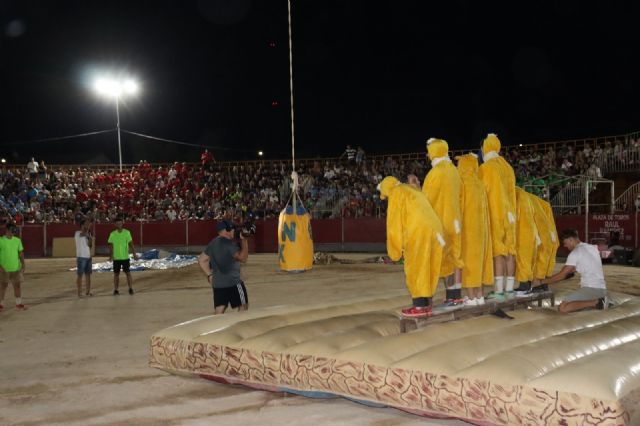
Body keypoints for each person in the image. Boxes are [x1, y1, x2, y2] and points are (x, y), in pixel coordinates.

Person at [379, 176, 445, 318]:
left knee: (416, 267)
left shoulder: (396, 193)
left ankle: (420, 306)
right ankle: (427, 304)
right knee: (429, 267)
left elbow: (394, 225)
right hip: (436, 228)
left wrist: (395, 252)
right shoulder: (411, 190)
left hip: (419, 231)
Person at [422, 138, 464, 305]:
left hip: (440, 222)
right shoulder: (454, 171)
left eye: (429, 151)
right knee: (453, 259)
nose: (427, 155)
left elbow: (426, 200)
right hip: (455, 221)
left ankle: (426, 301)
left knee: (437, 262)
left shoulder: (435, 173)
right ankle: (453, 296)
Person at [478, 134, 517, 299]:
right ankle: (509, 289)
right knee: (510, 250)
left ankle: (499, 291)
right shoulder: (507, 166)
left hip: (495, 212)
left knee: (498, 252)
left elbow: (481, 191)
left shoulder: (486, 168)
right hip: (511, 213)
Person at [536, 229, 608, 313]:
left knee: (563, 308)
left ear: (571, 239)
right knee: (572, 304)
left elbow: (561, 275)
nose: (565, 246)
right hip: (602, 289)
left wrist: (541, 282)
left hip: (591, 289)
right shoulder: (592, 247)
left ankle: (596, 302)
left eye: (565, 243)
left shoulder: (575, 252)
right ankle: (596, 301)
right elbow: (572, 271)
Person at [456, 154, 493, 306]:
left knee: (470, 264)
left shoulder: (463, 183)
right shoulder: (479, 184)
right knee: (480, 264)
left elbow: (459, 206)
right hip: (482, 231)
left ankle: (471, 298)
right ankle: (480, 296)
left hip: (469, 229)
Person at [198, 220, 249, 314]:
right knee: (243, 306)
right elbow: (243, 258)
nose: (235, 230)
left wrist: (209, 275)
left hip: (218, 283)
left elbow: (202, 260)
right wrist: (244, 240)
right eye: (233, 228)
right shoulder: (230, 244)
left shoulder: (213, 243)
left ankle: (215, 327)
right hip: (233, 282)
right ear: (227, 230)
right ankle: (240, 328)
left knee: (219, 309)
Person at [108, 216, 139, 295]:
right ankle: (116, 289)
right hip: (116, 257)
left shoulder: (127, 232)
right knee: (116, 274)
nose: (119, 225)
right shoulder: (112, 234)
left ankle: (130, 288)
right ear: (115, 224)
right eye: (117, 223)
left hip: (125, 257)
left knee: (128, 273)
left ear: (122, 223)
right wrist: (111, 255)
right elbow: (110, 245)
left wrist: (134, 253)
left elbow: (131, 244)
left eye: (120, 223)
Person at [0, 224, 26, 311]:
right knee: (3, 286)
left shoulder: (17, 241)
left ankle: (18, 303)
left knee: (17, 286)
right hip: (4, 268)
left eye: (14, 231)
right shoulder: (1, 240)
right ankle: (1, 304)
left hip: (15, 268)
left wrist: (23, 264)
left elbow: (20, 253)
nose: (13, 232)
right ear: (6, 230)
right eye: (12, 230)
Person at [74, 218, 93, 297]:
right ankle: (79, 292)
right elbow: (83, 234)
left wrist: (90, 238)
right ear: (82, 225)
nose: (88, 225)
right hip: (81, 256)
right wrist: (88, 231)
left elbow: (90, 245)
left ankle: (88, 292)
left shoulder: (88, 234)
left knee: (88, 274)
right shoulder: (77, 233)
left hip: (88, 256)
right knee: (80, 275)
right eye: (86, 224)